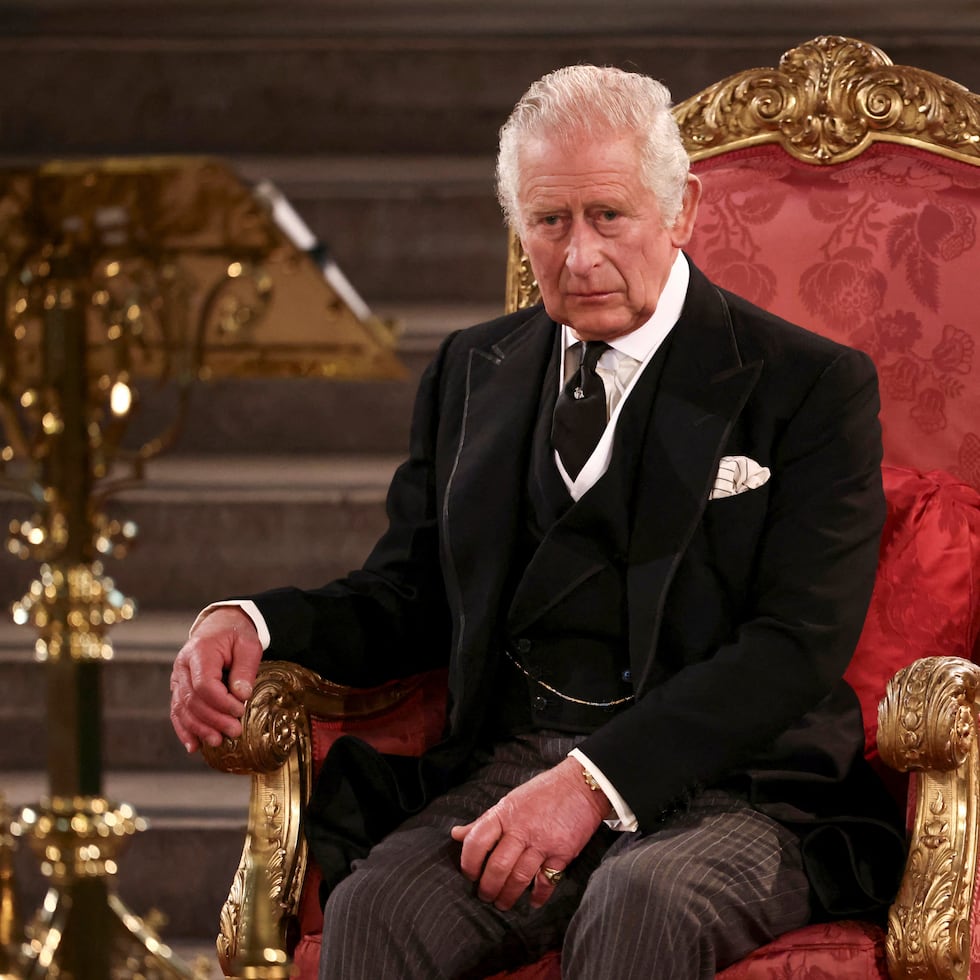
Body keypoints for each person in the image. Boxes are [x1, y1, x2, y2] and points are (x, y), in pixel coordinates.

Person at [170, 65, 905, 979]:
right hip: (513, 762)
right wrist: (253, 619)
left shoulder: (808, 385)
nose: (579, 254)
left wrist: (594, 785)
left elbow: (794, 647)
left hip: (739, 788)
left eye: (609, 215)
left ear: (682, 210)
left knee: (639, 904)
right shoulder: (472, 370)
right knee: (377, 909)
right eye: (551, 221)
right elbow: (410, 594)